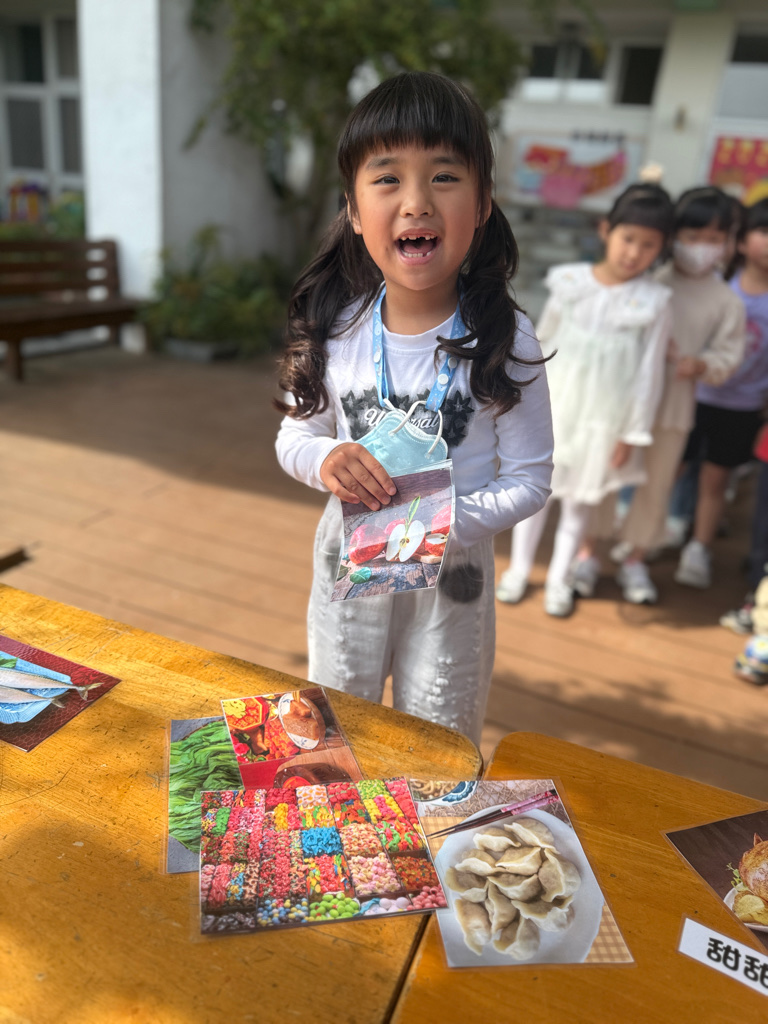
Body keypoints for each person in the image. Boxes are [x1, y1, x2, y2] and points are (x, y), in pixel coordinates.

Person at [275, 72, 553, 743]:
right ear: (353, 207)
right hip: (350, 558)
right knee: (337, 724)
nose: (417, 201)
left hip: (453, 574)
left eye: (445, 176)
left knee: (439, 735)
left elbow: (530, 478)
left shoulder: (505, 336)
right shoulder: (335, 326)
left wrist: (442, 524)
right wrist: (326, 458)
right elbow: (294, 436)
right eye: (388, 178)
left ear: (483, 203)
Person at [496, 184, 673, 617]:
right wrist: (518, 399)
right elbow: (540, 340)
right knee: (535, 491)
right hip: (554, 408)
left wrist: (632, 431)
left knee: (579, 504)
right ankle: (518, 570)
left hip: (603, 419)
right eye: (628, 238)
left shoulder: (655, 302)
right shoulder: (571, 282)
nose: (635, 252)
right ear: (606, 230)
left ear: (662, 249)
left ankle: (560, 579)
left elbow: (650, 373)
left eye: (649, 245)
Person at [583, 186, 745, 604]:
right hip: (621, 400)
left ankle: (636, 557)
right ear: (674, 236)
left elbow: (729, 355)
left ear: (728, 242)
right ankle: (588, 553)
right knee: (603, 476)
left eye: (713, 238)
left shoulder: (726, 301)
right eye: (693, 236)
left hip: (673, 406)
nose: (701, 247)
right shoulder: (648, 282)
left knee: (656, 485)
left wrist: (700, 365)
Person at [676, 197, 768, 590]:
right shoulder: (719, 290)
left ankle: (700, 547)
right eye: (763, 231)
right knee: (674, 469)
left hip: (743, 407)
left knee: (716, 480)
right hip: (694, 398)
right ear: (741, 241)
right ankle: (658, 532)